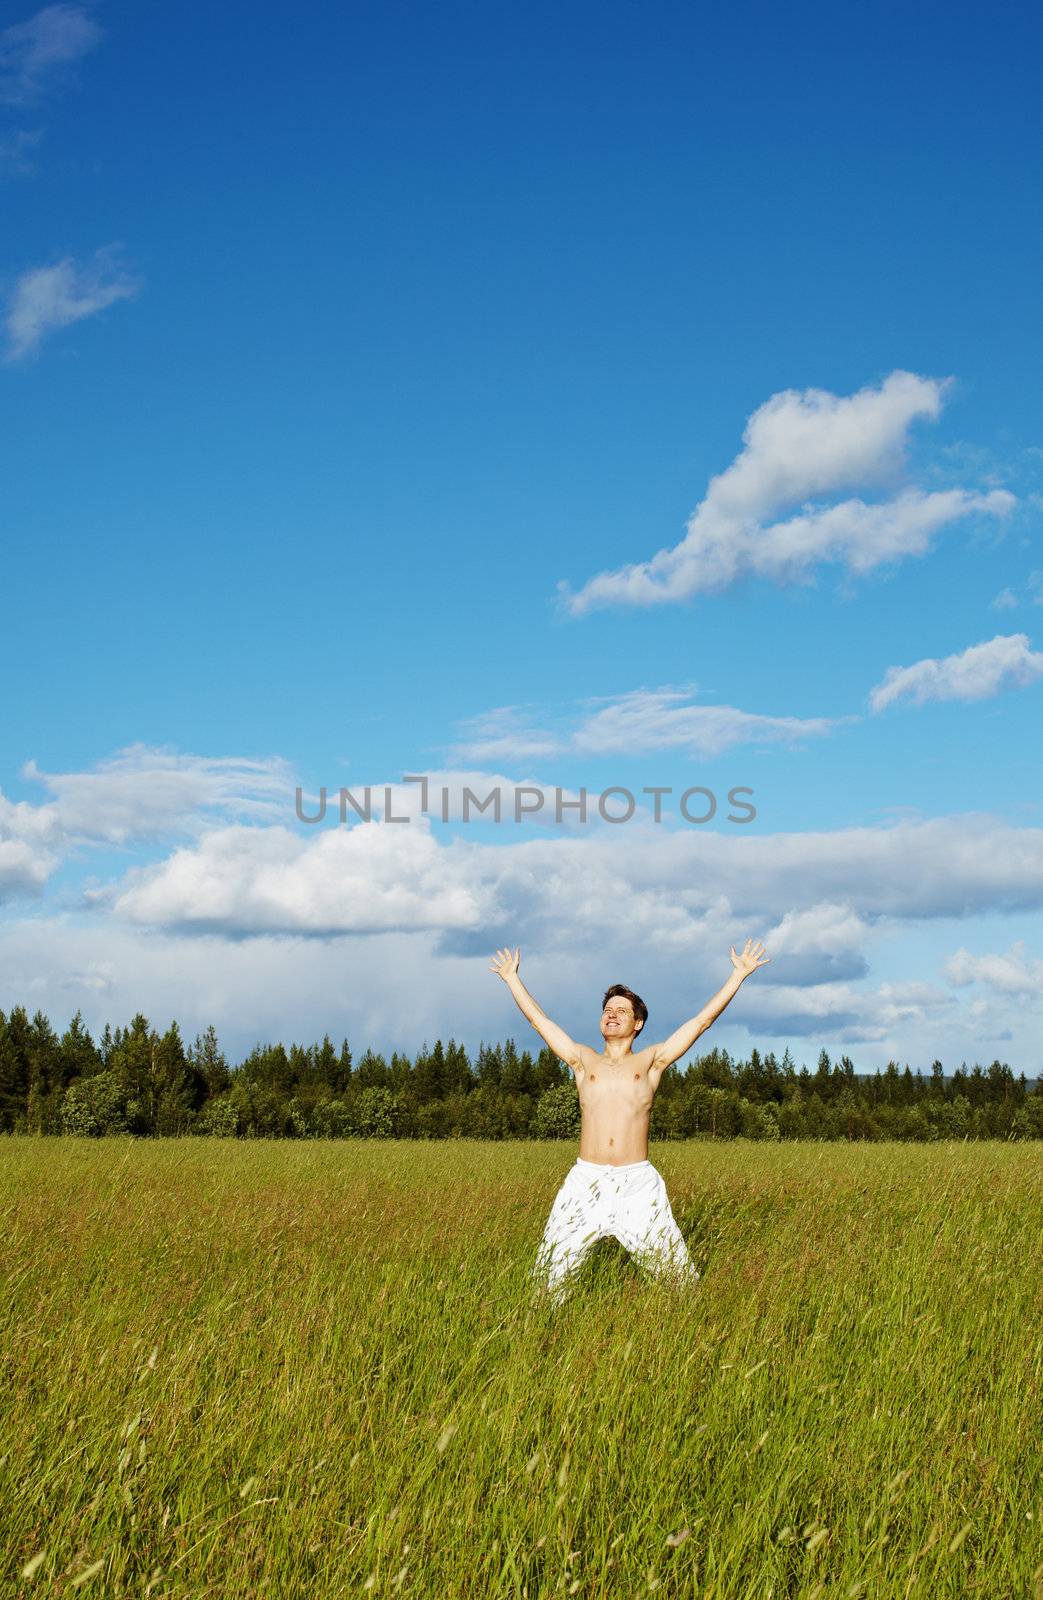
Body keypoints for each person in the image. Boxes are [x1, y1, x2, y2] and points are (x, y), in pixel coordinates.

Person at [490, 940, 771, 1304]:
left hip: (636, 1183)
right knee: (547, 1282)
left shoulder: (651, 1062)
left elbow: (702, 1022)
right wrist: (512, 979)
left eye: (622, 1010)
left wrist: (737, 975)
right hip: (584, 1182)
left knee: (679, 1282)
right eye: (607, 1009)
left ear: (637, 1023)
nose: (612, 1014)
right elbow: (539, 1021)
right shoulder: (582, 1060)